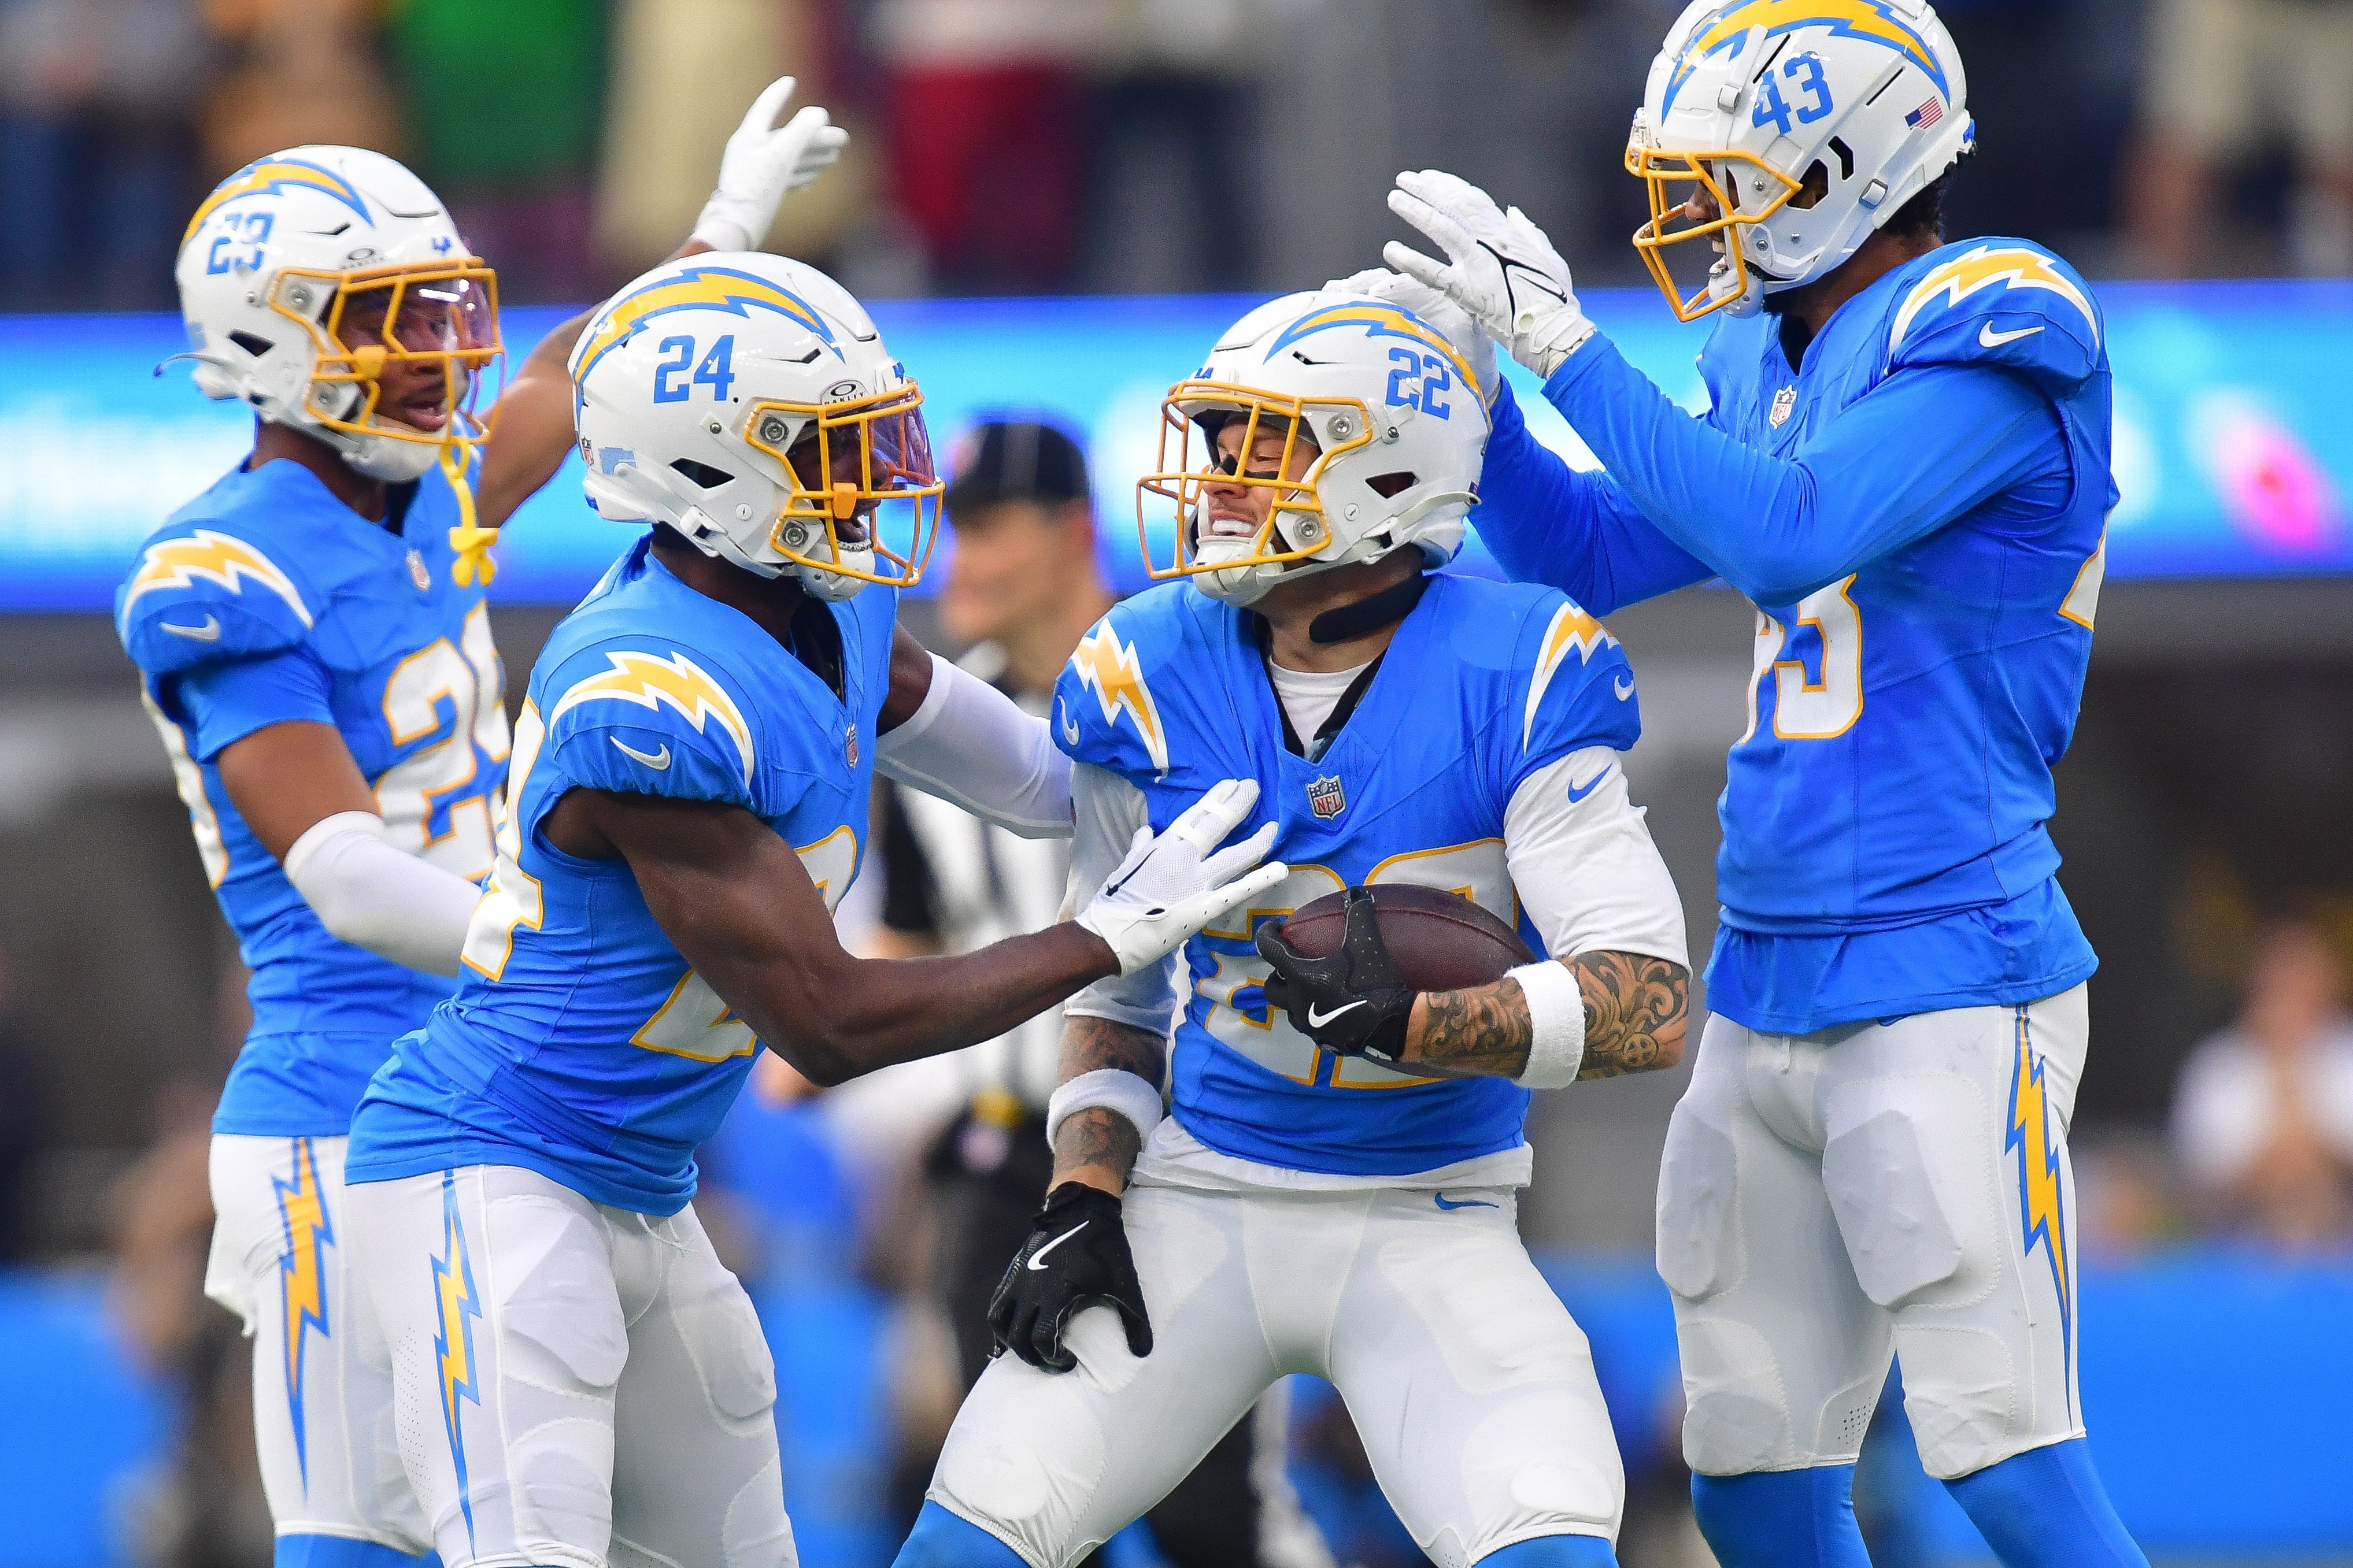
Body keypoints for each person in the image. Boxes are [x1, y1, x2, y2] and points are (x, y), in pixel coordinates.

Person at [337, 246, 1285, 1568]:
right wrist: (1102, 936)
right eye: (831, 445)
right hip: (491, 1171)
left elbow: (1025, 771)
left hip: (640, 1182)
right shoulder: (644, 694)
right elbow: (829, 1021)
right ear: (709, 469)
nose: (879, 476)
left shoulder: (816, 603)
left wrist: (1215, 794)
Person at [1374, 3, 2146, 1565]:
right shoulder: (1761, 344)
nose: (1695, 218)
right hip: (1769, 968)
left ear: (1844, 169)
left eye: (1730, 179)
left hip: (1945, 958)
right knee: (1750, 1478)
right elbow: (1593, 552)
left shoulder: (2002, 323)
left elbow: (1791, 530)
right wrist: (1487, 398)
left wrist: (1570, 351)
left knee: (1999, 1462)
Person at [115, 84, 848, 1568]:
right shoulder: (216, 569)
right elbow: (340, 867)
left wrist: (721, 237)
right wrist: (516, 927)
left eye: (440, 308)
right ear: (269, 343)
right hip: (339, 1095)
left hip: (504, 1087)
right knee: (368, 1538)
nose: (441, 352)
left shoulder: (420, 499)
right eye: (389, 319)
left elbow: (591, 380)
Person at [894, 287, 1693, 1568]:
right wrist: (1084, 1190)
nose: (1215, 479)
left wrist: (1424, 1021)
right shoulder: (1144, 663)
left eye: (1259, 446)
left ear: (1384, 466)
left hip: (1432, 1211)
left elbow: (1648, 1000)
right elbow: (1116, 991)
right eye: (1217, 443)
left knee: (1548, 1543)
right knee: (964, 1542)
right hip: (1196, 1199)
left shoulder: (1520, 659)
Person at [878, 417, 1327, 1568]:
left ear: (1073, 527)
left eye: (984, 526)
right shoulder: (927, 734)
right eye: (949, 529)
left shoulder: (1198, 690)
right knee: (1006, 1498)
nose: (955, 560)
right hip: (996, 1158)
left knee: (1211, 1515)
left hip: (1181, 1147)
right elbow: (911, 939)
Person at [2171, 917, 2353, 1247]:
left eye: (2302, 979)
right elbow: (2200, 1178)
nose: (2291, 994)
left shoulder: (2346, 1053)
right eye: (2280, 982)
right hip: (2236, 1244)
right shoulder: (2217, 1065)